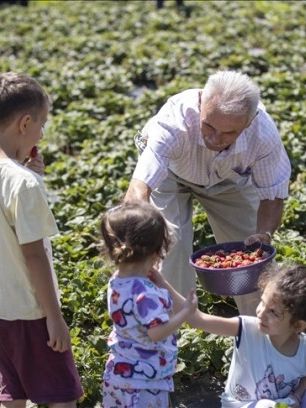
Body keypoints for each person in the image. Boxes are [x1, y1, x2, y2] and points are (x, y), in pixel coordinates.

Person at [124, 70, 292, 316]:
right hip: (171, 173)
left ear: (249, 121)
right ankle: (171, 323)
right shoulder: (174, 121)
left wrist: (264, 233)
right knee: (170, 242)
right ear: (201, 102)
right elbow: (139, 187)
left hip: (229, 178)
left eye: (228, 133)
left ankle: (260, 328)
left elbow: (273, 195)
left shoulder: (263, 134)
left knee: (250, 251)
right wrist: (144, 228)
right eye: (208, 126)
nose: (215, 139)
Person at [0, 72, 83, 407]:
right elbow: (34, 256)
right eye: (42, 123)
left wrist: (30, 172)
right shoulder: (23, 184)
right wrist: (54, 318)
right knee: (63, 396)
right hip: (30, 309)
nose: (42, 131)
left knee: (13, 392)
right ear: (25, 122)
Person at [150, 263, 306, 407]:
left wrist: (297, 396)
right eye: (263, 302)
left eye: (273, 312)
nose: (261, 313)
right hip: (245, 405)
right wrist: (161, 283)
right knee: (267, 406)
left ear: (298, 325)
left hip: (285, 403)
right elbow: (197, 320)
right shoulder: (247, 330)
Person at [100, 200, 199, 407]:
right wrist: (185, 312)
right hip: (145, 381)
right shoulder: (147, 293)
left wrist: (162, 283)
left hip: (118, 373)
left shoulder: (116, 281)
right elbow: (156, 332)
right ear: (157, 252)